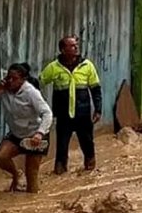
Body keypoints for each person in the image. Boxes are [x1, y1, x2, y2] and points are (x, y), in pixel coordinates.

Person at [0, 63, 53, 193]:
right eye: (8, 77)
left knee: (32, 180)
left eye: (14, 78)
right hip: (16, 135)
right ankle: (16, 174)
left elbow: (47, 113)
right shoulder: (3, 91)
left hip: (35, 136)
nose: (10, 81)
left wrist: (39, 133)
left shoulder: (31, 92)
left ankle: (30, 208)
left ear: (23, 80)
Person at [40, 36, 102, 175]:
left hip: (83, 113)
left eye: (76, 45)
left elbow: (95, 89)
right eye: (72, 46)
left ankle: (90, 168)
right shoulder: (54, 67)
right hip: (63, 115)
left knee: (87, 143)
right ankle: (60, 171)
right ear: (63, 49)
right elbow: (40, 82)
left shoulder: (87, 65)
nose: (76, 48)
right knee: (61, 146)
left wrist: (98, 109)